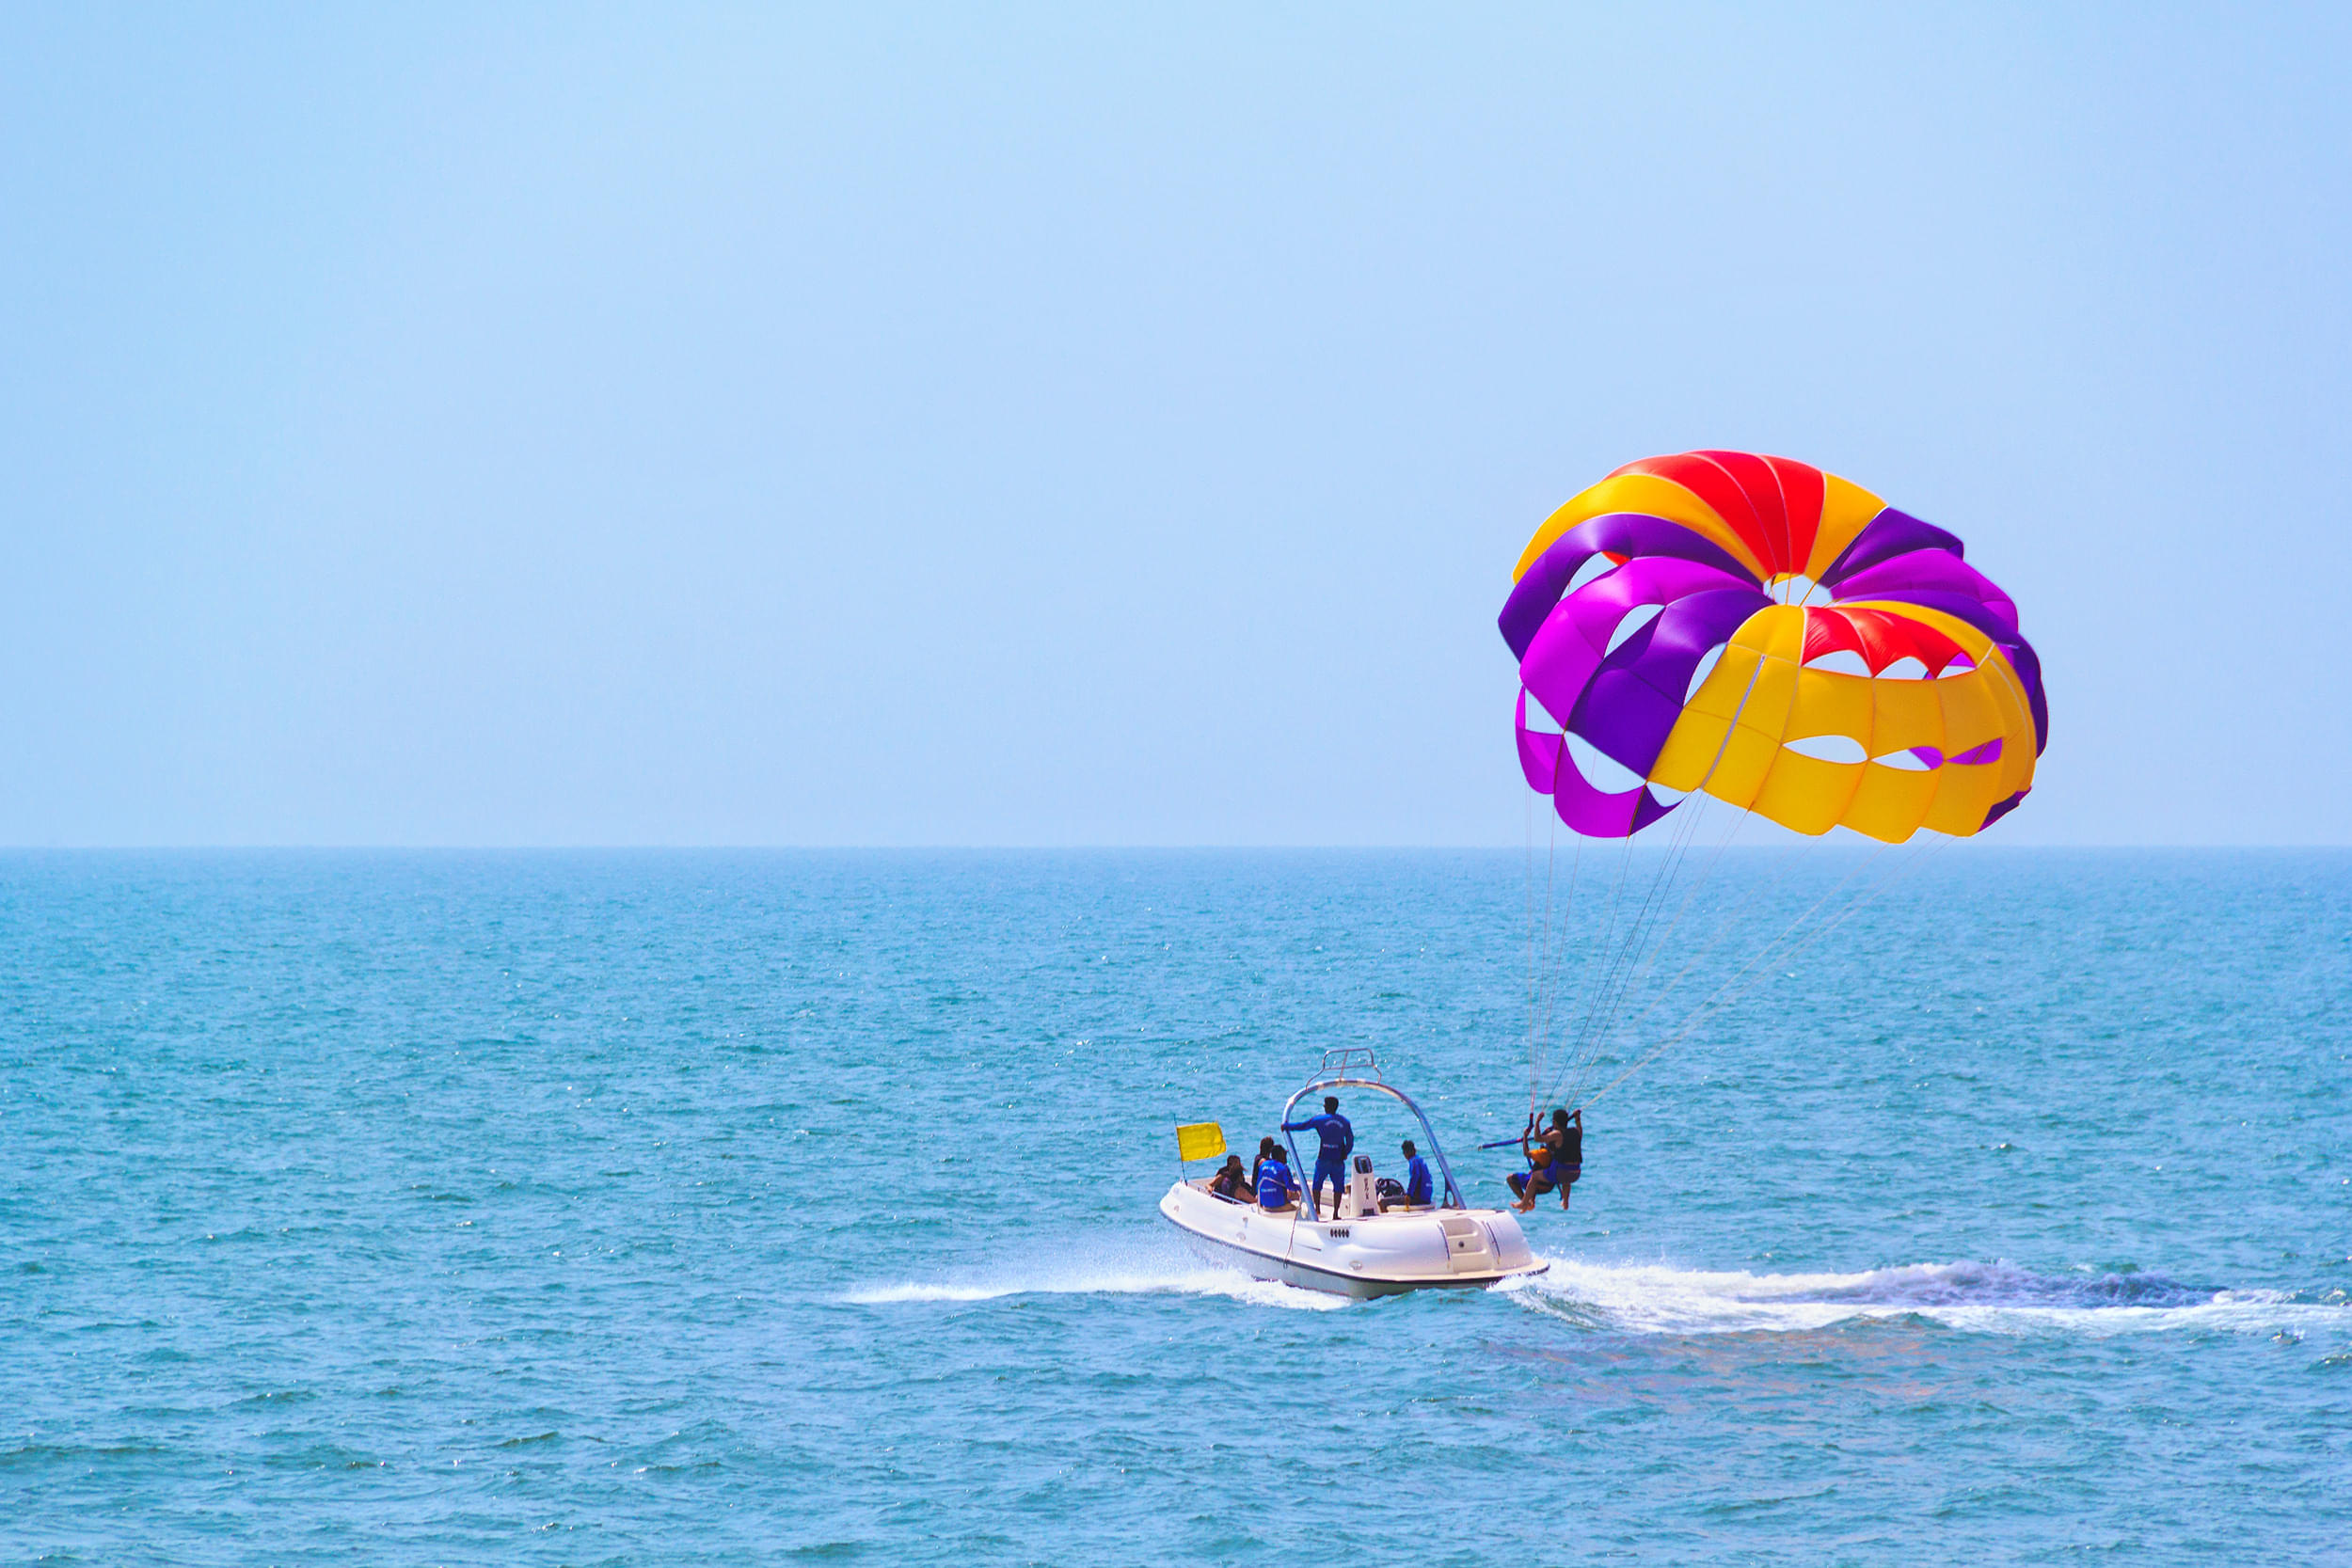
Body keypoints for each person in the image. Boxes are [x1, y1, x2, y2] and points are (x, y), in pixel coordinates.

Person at [1281, 1096, 1355, 1220]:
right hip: (1338, 1159)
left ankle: (1317, 1208)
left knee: (1317, 1184)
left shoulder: (1320, 1120)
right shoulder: (1344, 1122)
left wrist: (1287, 1126)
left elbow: (1303, 1125)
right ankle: (1336, 1213)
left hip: (1324, 1158)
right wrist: (1345, 1152)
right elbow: (1350, 1141)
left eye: (1325, 1105)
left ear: (1327, 1106)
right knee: (1338, 1187)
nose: (1324, 1107)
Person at [1541, 1107, 1583, 1210]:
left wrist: (1538, 1122)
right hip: (1575, 1173)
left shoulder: (1557, 1135)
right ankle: (1566, 1201)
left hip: (1560, 1172)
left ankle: (1527, 1201)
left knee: (1534, 1177)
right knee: (1566, 1179)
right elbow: (1580, 1130)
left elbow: (1539, 1139)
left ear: (1555, 1122)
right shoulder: (1575, 1133)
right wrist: (1578, 1119)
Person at [1507, 1135, 1558, 1212]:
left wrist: (1525, 1137)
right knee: (1533, 1174)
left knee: (1510, 1178)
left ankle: (1525, 1202)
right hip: (1549, 1186)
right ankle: (1531, 1201)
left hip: (1539, 1184)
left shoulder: (1544, 1154)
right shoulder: (1559, 1154)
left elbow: (1526, 1153)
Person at [1381, 1138, 1434, 1210]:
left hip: (1419, 1199)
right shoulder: (1420, 1159)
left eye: (1404, 1153)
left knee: (1383, 1202)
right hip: (1427, 1198)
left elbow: (1415, 1177)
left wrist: (1409, 1194)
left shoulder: (1413, 1161)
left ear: (1407, 1152)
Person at [1255, 1144, 1300, 1212]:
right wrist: (1300, 1188)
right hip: (1278, 1205)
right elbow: (1290, 1186)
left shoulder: (1263, 1165)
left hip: (1265, 1205)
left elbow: (1258, 1186)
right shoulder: (1283, 1168)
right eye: (1285, 1154)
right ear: (1281, 1155)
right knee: (1298, 1209)